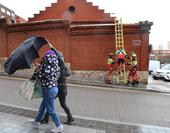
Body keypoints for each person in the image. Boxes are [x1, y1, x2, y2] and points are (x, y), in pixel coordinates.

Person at [31, 50, 63, 133]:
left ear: (46, 58)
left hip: (48, 90)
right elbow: (46, 72)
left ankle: (59, 126)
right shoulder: (56, 66)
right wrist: (39, 67)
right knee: (43, 107)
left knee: (50, 109)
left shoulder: (44, 68)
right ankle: (37, 121)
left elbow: (38, 76)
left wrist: (37, 70)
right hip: (54, 89)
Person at [41, 47, 74, 125]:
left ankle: (70, 117)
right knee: (54, 103)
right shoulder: (62, 67)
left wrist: (54, 50)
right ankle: (47, 118)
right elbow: (67, 73)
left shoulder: (60, 67)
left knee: (53, 103)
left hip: (59, 88)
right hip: (61, 88)